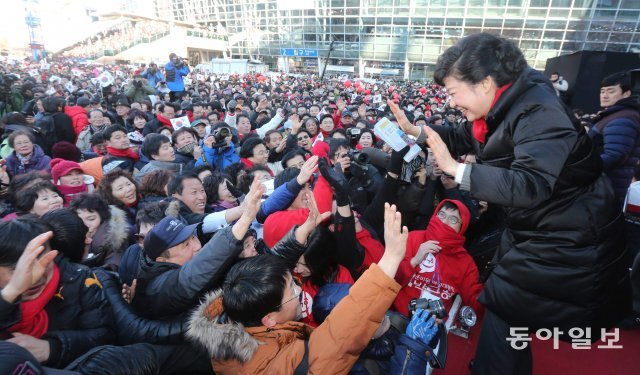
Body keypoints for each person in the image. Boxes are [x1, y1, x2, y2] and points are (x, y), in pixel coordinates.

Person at [390, 32, 629, 375]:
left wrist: (456, 170)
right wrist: (417, 131)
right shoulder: (505, 104)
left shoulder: (538, 110)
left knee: (505, 308)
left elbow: (531, 184)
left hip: (569, 233)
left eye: (454, 92)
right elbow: (462, 136)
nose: (451, 101)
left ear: (485, 82)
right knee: (506, 310)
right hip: (541, 229)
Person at [186, 204, 422, 374]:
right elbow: (336, 339)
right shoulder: (289, 364)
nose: (300, 290)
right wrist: (390, 259)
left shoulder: (237, 313)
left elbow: (275, 267)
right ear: (269, 319)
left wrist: (301, 233)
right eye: (292, 290)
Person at [132, 177, 263, 320]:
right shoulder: (158, 288)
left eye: (193, 237)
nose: (197, 246)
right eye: (186, 245)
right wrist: (245, 219)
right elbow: (195, 271)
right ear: (163, 259)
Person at [0, 219, 115, 369]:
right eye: (18, 269)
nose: (36, 277)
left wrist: (52, 348)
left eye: (44, 262)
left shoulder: (80, 281)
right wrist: (10, 293)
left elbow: (106, 335)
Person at [588, 71, 640, 206]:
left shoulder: (623, 117)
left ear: (626, 94)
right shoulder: (615, 115)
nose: (604, 95)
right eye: (602, 91)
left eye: (611, 91)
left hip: (607, 188)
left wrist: (582, 170)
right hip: (604, 186)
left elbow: (615, 155)